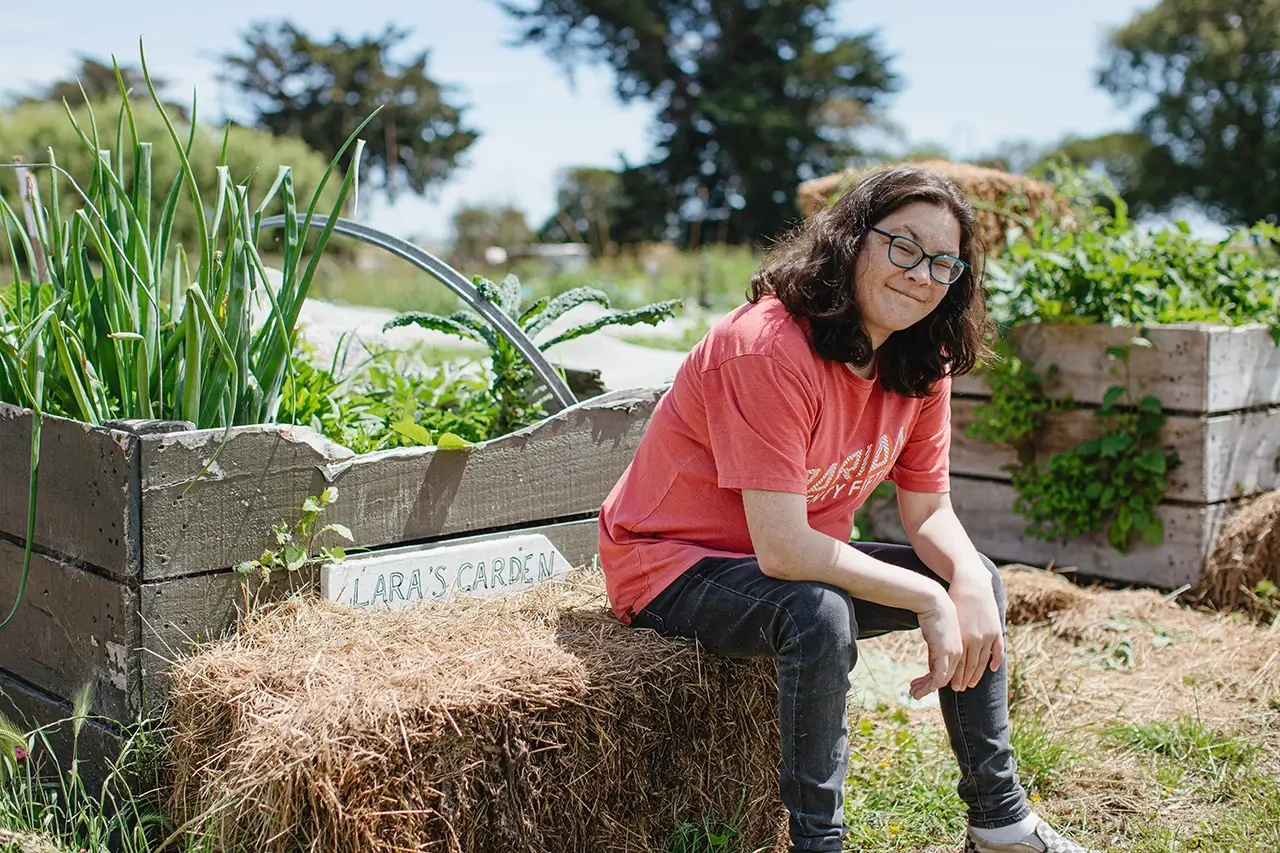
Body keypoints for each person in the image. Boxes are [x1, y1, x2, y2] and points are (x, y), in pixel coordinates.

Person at [597, 165, 1102, 853]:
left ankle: (999, 819)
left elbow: (928, 512)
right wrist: (929, 599)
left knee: (974, 574)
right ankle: (818, 844)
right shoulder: (769, 345)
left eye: (945, 263)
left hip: (790, 561)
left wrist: (968, 581)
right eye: (904, 246)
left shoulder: (923, 358)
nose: (922, 274)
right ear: (851, 238)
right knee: (818, 611)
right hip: (674, 562)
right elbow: (783, 551)